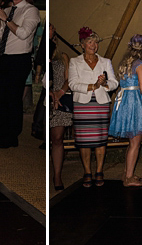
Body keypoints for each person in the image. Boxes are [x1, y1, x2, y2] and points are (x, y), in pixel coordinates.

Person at [0, 0, 39, 148]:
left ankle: (11, 136)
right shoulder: (8, 9)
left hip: (18, 59)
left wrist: (6, 18)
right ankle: (1, 132)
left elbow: (24, 33)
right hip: (4, 57)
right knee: (0, 98)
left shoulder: (30, 11)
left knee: (13, 98)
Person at [67, 27, 117, 187]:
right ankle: (87, 171)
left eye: (95, 42)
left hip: (101, 104)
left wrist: (105, 83)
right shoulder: (75, 61)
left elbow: (115, 82)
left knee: (100, 140)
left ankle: (99, 171)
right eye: (90, 42)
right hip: (82, 104)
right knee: (84, 140)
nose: (93, 45)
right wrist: (92, 86)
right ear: (82, 44)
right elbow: (72, 84)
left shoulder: (105, 61)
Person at [107, 33, 142, 188]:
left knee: (132, 141)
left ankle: (128, 172)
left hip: (123, 99)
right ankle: (129, 177)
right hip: (134, 102)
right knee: (135, 141)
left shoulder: (124, 62)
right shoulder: (139, 64)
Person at [47, 24, 73, 191]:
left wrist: (59, 93)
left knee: (57, 138)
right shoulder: (44, 55)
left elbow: (69, 79)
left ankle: (57, 175)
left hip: (61, 98)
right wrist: (49, 94)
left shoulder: (63, 56)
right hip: (46, 96)